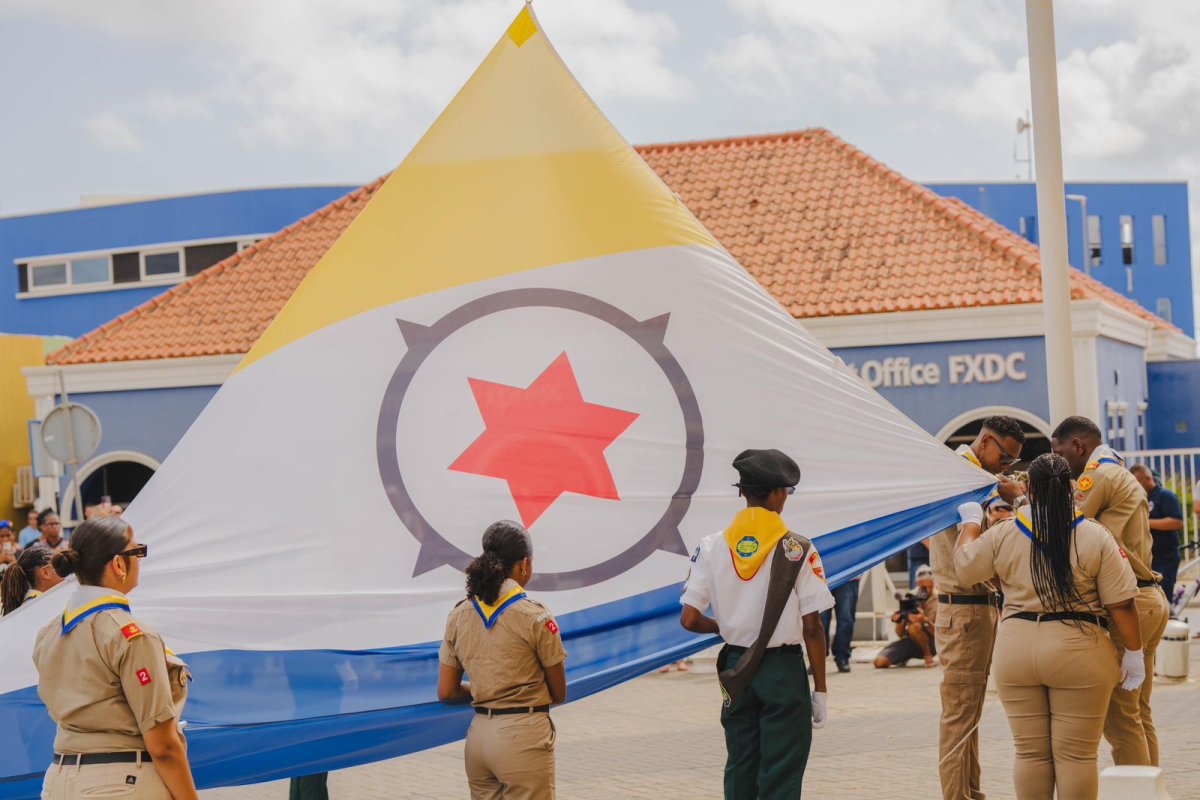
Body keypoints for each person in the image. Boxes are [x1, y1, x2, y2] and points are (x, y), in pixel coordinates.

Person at [954, 453, 1145, 800]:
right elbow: (1122, 603)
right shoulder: (1093, 534)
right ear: (1071, 488)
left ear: (1030, 490)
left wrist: (969, 523)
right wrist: (1135, 652)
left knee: (1030, 753)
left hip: (1016, 648)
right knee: (1077, 756)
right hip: (1079, 648)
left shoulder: (1004, 533)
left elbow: (966, 568)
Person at [680, 448, 834, 799]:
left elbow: (689, 618)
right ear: (778, 493)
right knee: (781, 768)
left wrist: (730, 626)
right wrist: (820, 690)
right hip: (781, 669)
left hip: (736, 666)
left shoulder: (710, 546)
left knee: (741, 763)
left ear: (742, 492)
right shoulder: (797, 548)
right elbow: (813, 627)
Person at [32, 517, 198, 799]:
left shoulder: (48, 633)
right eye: (138, 551)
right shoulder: (131, 636)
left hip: (59, 778)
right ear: (119, 565)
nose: (140, 559)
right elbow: (164, 746)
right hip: (120, 782)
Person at [1051, 416, 1170, 767]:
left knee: (1120, 718)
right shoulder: (1119, 471)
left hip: (1129, 604)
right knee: (1138, 711)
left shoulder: (1097, 476)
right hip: (1148, 598)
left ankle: (1137, 791)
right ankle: (1151, 789)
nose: (1058, 461)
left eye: (1059, 452)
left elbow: (1067, 527)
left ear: (1078, 446)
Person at [929, 415, 1025, 800]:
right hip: (965, 608)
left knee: (969, 715)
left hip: (974, 608)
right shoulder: (960, 478)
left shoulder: (971, 478)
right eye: (1005, 458)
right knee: (960, 716)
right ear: (985, 442)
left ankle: (971, 792)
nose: (1006, 469)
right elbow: (974, 558)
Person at [438, 520, 566, 800]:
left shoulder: (459, 615)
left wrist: (486, 688)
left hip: (478, 737)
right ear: (523, 565)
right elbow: (558, 692)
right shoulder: (536, 616)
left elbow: (446, 691)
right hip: (523, 736)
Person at [1130, 465, 1184, 604]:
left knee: (1163, 600)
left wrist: (1145, 522)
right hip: (1145, 560)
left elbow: (1176, 522)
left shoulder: (1166, 496)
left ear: (1148, 479)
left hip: (1166, 558)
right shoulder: (1137, 498)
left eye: (1138, 481)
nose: (1135, 485)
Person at [874, 564, 938, 668]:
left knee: (915, 627)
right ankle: (903, 657)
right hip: (911, 642)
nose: (927, 590)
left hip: (932, 643)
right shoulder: (909, 597)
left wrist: (924, 620)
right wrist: (900, 620)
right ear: (917, 583)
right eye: (923, 587)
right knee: (880, 662)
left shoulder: (939, 599)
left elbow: (940, 634)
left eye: (930, 587)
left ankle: (928, 656)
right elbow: (900, 634)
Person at [1, 544, 62, 616]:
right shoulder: (43, 608)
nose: (66, 573)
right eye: (60, 566)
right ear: (45, 572)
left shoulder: (32, 605)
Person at [821, 574, 861, 673]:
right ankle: (818, 657)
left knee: (846, 618)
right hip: (820, 575)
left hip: (848, 575)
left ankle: (842, 657)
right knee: (820, 621)